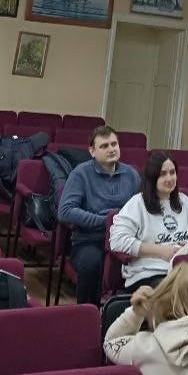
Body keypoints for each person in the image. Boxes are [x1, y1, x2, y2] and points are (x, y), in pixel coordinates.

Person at [58, 126, 140, 306]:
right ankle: (88, 315)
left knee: (147, 263)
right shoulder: (81, 173)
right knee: (91, 264)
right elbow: (65, 211)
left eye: (114, 144)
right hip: (90, 240)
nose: (111, 149)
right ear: (92, 151)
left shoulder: (132, 175)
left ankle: (128, 314)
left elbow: (141, 209)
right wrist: (105, 222)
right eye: (104, 146)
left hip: (125, 240)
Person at [110, 152, 188, 289]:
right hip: (148, 273)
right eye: (162, 174)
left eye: (172, 172)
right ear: (152, 177)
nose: (169, 178)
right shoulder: (137, 203)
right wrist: (161, 251)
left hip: (183, 268)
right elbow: (117, 241)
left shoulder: (184, 201)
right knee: (181, 290)